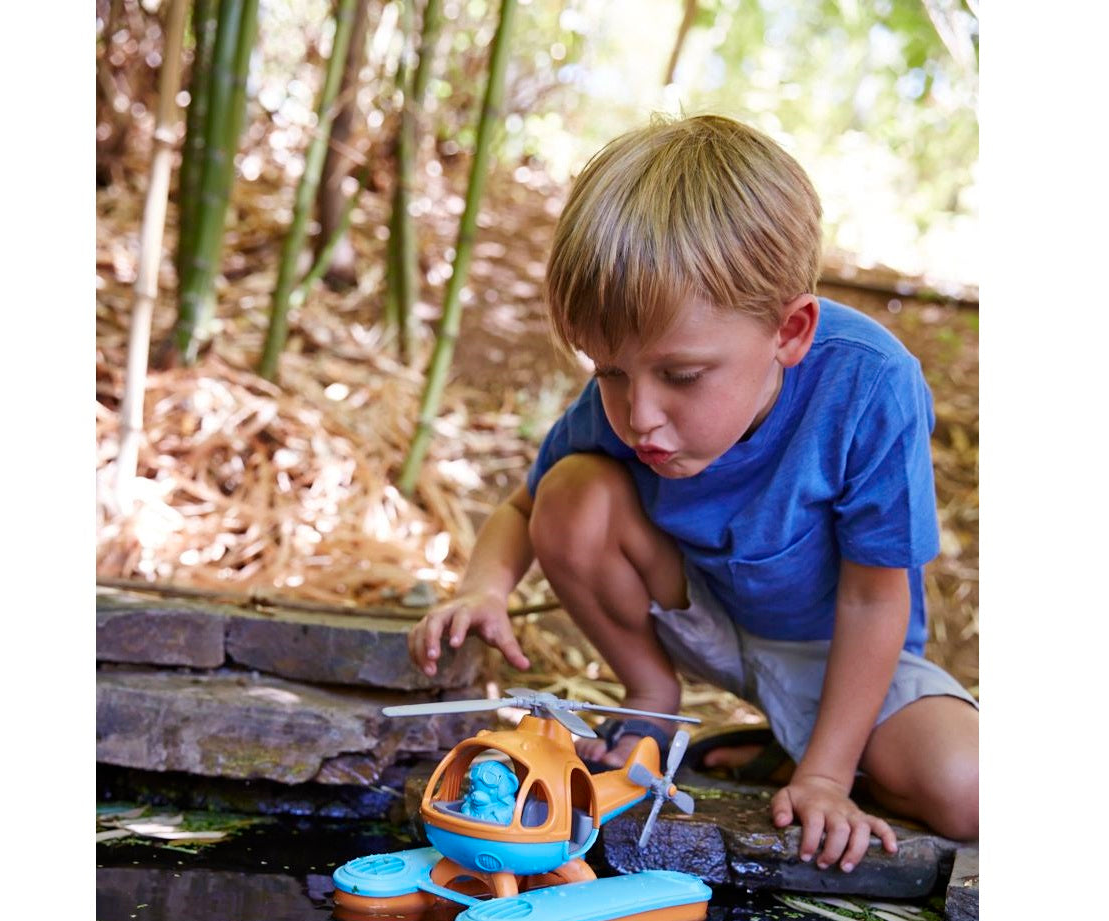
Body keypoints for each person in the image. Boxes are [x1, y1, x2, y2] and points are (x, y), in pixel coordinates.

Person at [408, 114, 978, 873]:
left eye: (680, 377)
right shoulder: (637, 388)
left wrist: (825, 778)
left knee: (968, 788)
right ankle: (650, 695)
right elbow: (527, 506)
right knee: (574, 492)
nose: (639, 415)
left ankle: (796, 746)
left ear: (791, 331)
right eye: (608, 373)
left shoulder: (869, 385)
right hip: (698, 610)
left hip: (835, 652)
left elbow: (876, 601)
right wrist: (483, 587)